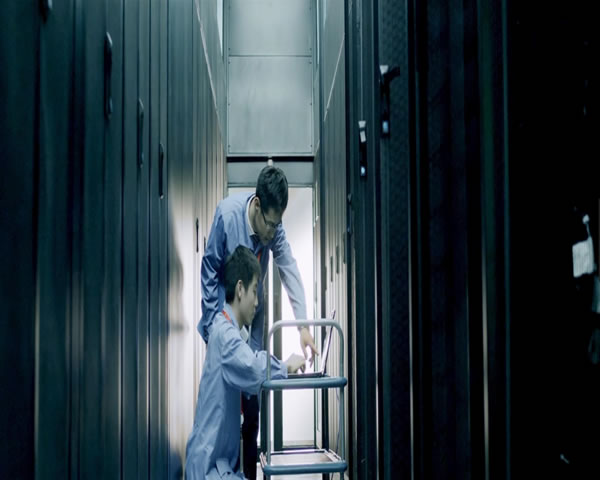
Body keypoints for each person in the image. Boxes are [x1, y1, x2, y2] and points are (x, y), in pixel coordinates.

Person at [198, 165, 318, 479]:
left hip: (252, 313)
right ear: (257, 206)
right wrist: (214, 329)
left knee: (252, 404)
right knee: (226, 401)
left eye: (279, 224)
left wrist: (303, 326)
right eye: (271, 224)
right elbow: (209, 270)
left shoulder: (274, 229)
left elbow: (289, 269)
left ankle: (247, 473)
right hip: (226, 313)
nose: (274, 232)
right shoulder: (227, 216)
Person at [185, 246, 306, 479]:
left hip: (215, 464)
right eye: (254, 291)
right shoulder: (225, 336)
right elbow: (253, 368)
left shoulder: (226, 329)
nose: (257, 302)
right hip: (208, 469)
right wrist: (285, 366)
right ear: (240, 289)